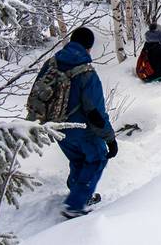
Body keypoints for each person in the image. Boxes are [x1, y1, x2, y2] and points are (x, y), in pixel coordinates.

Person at [55, 27, 117, 219]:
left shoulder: (53, 63)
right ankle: (75, 205)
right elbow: (95, 112)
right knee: (97, 158)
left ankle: (79, 193)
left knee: (78, 159)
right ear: (89, 48)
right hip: (80, 129)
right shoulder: (86, 72)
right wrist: (110, 139)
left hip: (56, 128)